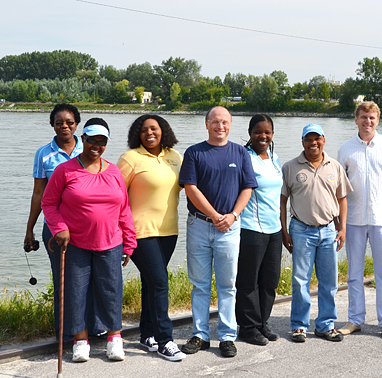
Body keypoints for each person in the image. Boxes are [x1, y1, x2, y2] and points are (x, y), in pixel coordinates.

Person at [42, 118, 137, 362]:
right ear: (82, 139)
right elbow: (49, 204)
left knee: (111, 291)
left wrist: (129, 242)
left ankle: (114, 338)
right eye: (92, 140)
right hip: (75, 244)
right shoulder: (65, 171)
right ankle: (80, 340)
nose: (96, 145)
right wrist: (60, 228)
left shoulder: (114, 172)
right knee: (75, 292)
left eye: (102, 141)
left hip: (111, 243)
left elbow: (124, 209)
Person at [179, 106, 257, 358]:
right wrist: (214, 215)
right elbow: (190, 188)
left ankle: (226, 336)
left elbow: (247, 188)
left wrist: (233, 215)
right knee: (200, 285)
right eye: (215, 121)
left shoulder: (240, 153)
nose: (220, 126)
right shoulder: (194, 152)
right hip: (199, 225)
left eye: (224, 122)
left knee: (227, 285)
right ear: (206, 124)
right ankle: (200, 335)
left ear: (230, 125)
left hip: (230, 228)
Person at [23, 103, 100, 339]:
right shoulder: (44, 154)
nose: (64, 126)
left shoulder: (89, 148)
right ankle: (66, 332)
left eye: (69, 122)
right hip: (56, 228)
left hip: (87, 227)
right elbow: (39, 194)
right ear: (53, 126)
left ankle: (92, 328)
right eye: (59, 123)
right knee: (63, 280)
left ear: (77, 125)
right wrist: (29, 230)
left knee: (91, 278)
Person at [337, 101, 382, 341]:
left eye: (372, 118)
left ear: (378, 120)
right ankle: (355, 320)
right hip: (354, 219)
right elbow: (339, 189)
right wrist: (339, 221)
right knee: (354, 273)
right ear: (356, 119)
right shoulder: (345, 149)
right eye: (363, 117)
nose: (367, 121)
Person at [117, 114, 186, 362]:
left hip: (168, 231)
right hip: (140, 232)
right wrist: (120, 233)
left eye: (154, 128)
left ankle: (147, 335)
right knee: (159, 282)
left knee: (150, 283)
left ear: (163, 130)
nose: (149, 133)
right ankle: (165, 340)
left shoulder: (175, 157)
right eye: (144, 130)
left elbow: (191, 185)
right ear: (138, 134)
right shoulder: (130, 158)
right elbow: (115, 194)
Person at [280, 123, 353, 343]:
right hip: (301, 230)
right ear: (302, 142)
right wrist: (284, 230)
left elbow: (342, 199)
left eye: (317, 139)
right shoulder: (290, 167)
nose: (313, 143)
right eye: (308, 139)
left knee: (329, 282)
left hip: (329, 230)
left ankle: (325, 325)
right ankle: (299, 325)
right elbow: (282, 201)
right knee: (300, 281)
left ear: (323, 140)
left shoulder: (335, 166)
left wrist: (343, 228)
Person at [235, 114, 283, 346]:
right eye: (258, 132)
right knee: (249, 280)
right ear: (250, 133)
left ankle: (262, 322)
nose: (262, 136)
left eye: (267, 132)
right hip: (251, 228)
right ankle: (247, 327)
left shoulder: (274, 157)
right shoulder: (244, 157)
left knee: (270, 280)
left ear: (272, 134)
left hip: (274, 229)